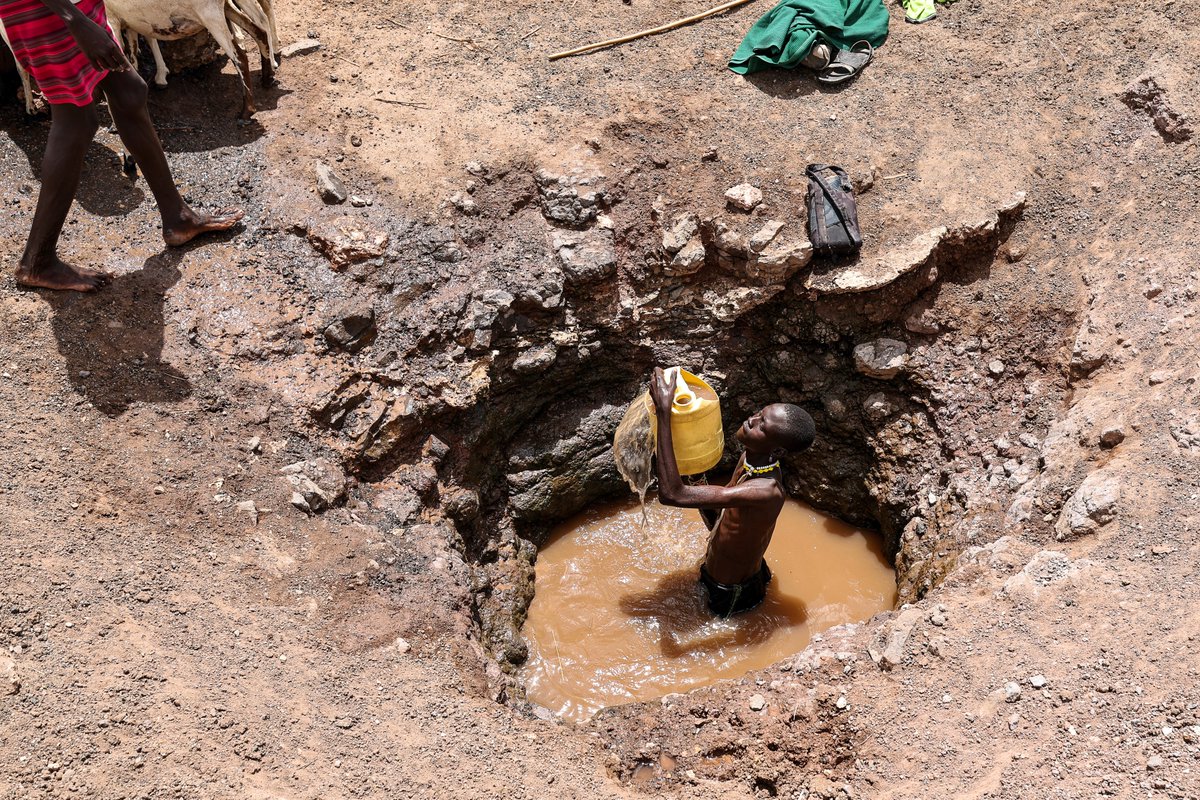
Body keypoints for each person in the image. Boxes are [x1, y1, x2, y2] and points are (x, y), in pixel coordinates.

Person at [3, 0, 242, 292]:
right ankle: (36, 261)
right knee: (75, 121)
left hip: (78, 8)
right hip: (50, 13)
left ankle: (178, 218)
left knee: (129, 90)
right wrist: (74, 20)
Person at [650, 367, 815, 618]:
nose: (752, 420)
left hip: (731, 592)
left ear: (778, 451)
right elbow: (725, 518)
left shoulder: (766, 491)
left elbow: (672, 494)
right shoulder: (751, 458)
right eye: (760, 413)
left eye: (762, 426)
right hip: (731, 573)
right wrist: (697, 481)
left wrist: (664, 412)